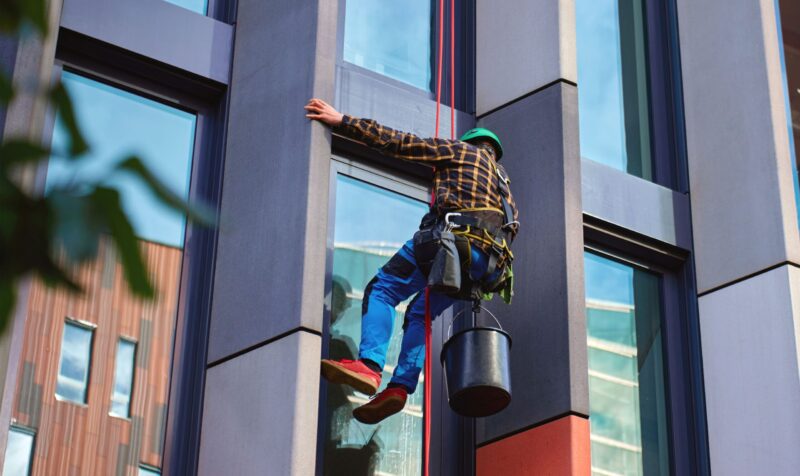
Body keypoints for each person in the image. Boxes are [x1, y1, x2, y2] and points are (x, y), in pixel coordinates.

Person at [305, 98, 519, 424]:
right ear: (495, 152)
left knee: (383, 289)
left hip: (448, 245)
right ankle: (400, 387)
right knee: (420, 313)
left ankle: (370, 365)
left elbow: (401, 143)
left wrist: (342, 121)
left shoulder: (460, 152)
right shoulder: (506, 194)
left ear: (472, 144)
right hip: (483, 270)